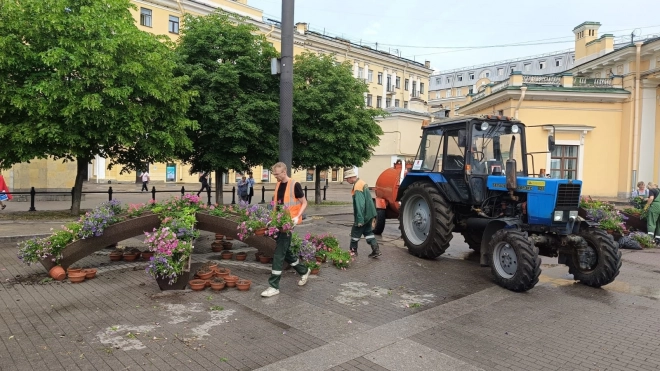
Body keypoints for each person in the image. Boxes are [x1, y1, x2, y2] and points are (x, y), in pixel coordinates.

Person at [261, 162, 310, 298]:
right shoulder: (278, 184)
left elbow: (304, 202)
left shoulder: (295, 185)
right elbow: (277, 204)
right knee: (285, 250)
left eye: (277, 174)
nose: (275, 176)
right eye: (274, 174)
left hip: (288, 224)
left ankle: (273, 286)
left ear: (284, 172)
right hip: (280, 223)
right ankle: (303, 271)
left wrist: (297, 217)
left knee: (278, 253)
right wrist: (273, 219)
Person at [343, 168, 381, 258]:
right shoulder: (361, 183)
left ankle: (353, 251)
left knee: (355, 233)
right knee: (368, 232)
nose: (347, 181)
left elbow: (360, 204)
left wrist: (360, 219)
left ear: (351, 177)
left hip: (363, 215)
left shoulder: (357, 187)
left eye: (347, 179)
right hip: (369, 214)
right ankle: (376, 250)